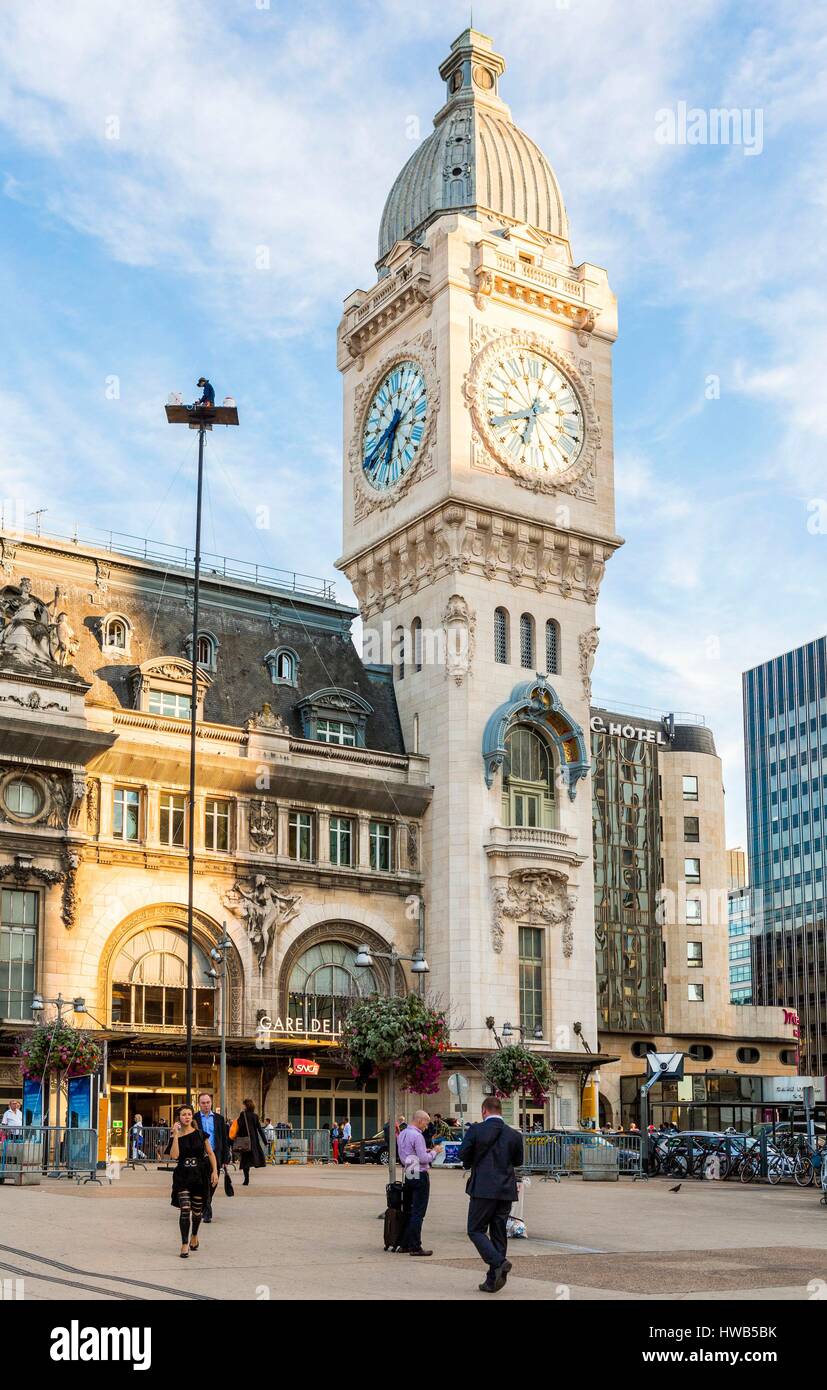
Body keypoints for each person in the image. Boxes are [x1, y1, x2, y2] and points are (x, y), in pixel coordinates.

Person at [458, 1096, 524, 1294]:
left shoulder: (476, 1130)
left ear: (484, 1111)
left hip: (483, 1189)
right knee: (498, 1232)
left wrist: (472, 1161)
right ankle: (492, 1280)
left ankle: (499, 1262)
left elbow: (463, 1155)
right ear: (500, 1111)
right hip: (505, 1189)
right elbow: (518, 1161)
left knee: (475, 1230)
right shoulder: (514, 1134)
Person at [169, 1105, 218, 1257]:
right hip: (183, 1175)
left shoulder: (200, 1134)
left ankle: (194, 1235)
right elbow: (174, 1156)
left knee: (197, 1212)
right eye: (184, 1115)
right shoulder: (176, 1136)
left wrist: (215, 1171)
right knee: (185, 1209)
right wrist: (175, 1135)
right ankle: (184, 1244)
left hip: (199, 1175)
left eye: (189, 1114)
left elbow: (210, 1153)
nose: (187, 1117)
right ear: (179, 1118)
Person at [397, 1110, 443, 1256]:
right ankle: (415, 1246)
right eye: (426, 1122)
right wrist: (435, 1151)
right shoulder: (417, 1135)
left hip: (409, 1168)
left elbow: (407, 1153)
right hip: (420, 1171)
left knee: (409, 1210)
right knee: (418, 1212)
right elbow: (423, 1158)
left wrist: (424, 1152)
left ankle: (404, 1244)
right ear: (420, 1120)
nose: (427, 1126)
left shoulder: (403, 1133)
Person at [194, 1092, 231, 1222]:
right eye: (203, 1103)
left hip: (216, 1155)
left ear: (211, 1103)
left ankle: (206, 1205)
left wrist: (226, 1159)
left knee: (213, 1183)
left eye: (208, 1102)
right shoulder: (194, 1118)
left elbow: (224, 1140)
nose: (206, 1105)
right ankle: (207, 1210)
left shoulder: (219, 1119)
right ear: (199, 1104)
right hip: (200, 1156)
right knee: (203, 1183)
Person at [231, 1098, 267, 1186]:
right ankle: (253, 1166)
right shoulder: (255, 1116)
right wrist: (265, 1140)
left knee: (245, 1160)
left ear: (246, 1106)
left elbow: (240, 1126)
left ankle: (246, 1178)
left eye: (243, 1104)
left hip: (245, 1141)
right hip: (253, 1141)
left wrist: (235, 1138)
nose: (242, 1106)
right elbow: (259, 1129)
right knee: (253, 1157)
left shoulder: (242, 1115)